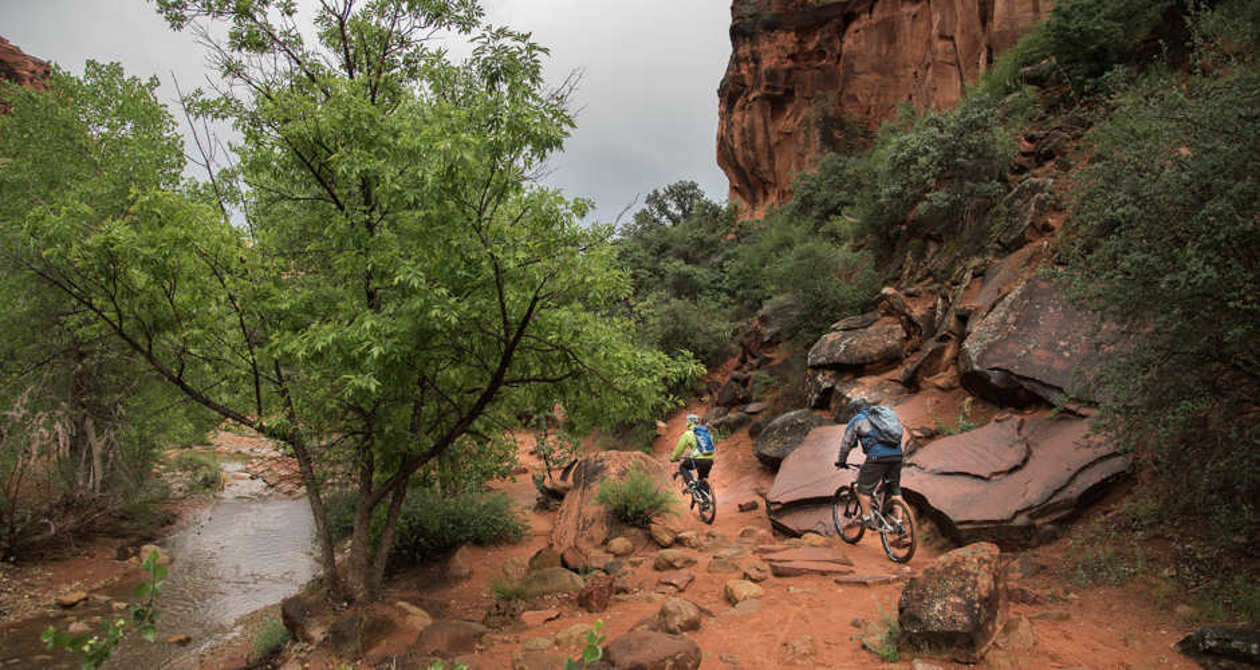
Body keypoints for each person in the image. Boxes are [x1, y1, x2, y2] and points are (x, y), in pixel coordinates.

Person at [834, 402, 904, 529]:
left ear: (854, 411)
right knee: (895, 489)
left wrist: (841, 461)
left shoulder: (858, 419)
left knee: (862, 489)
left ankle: (867, 519)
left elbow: (846, 443)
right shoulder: (884, 416)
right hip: (897, 455)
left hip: (877, 457)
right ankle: (899, 522)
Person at [670, 413, 715, 491]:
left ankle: (690, 483)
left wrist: (673, 458)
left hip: (697, 459)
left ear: (688, 423)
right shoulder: (705, 432)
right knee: (702, 478)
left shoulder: (688, 433)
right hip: (710, 460)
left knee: (683, 467)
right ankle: (706, 497)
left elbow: (680, 448)